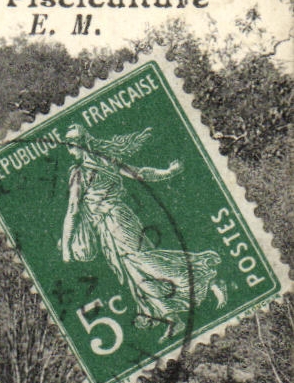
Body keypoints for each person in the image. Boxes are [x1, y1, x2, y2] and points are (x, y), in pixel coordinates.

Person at [59, 124, 223, 339]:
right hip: (119, 219)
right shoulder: (105, 160)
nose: (70, 152)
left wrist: (66, 248)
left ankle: (204, 276)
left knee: (143, 265)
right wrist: (168, 172)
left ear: (81, 145)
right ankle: (172, 316)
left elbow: (72, 209)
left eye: (71, 147)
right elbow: (141, 174)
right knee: (136, 272)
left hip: (113, 223)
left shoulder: (80, 173)